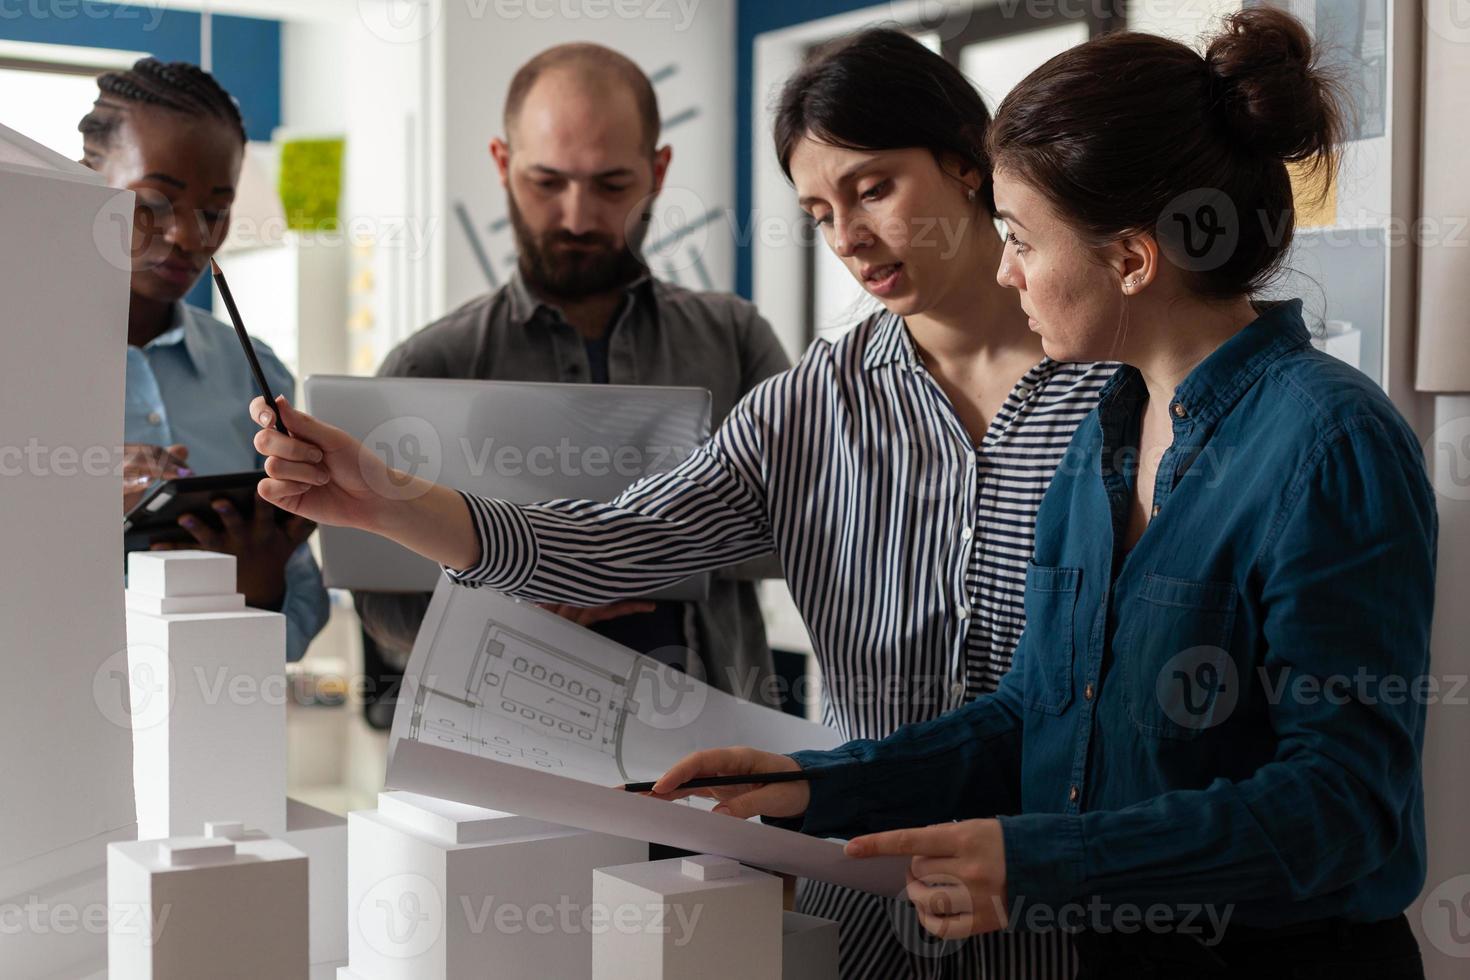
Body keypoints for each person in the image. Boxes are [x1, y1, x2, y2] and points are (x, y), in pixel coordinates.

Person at [248, 29, 1111, 978]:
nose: (850, 239)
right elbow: (620, 539)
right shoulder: (818, 398)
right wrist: (384, 499)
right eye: (820, 212)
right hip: (865, 896)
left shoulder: (1113, 384)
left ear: (966, 162)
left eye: (873, 189)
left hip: (1066, 901)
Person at [648, 11, 1437, 979]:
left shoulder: (1328, 442)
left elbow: (1343, 806)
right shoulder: (1101, 434)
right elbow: (1034, 711)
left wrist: (1038, 860)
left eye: (1022, 238)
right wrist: (815, 782)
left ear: (1133, 257)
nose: (1006, 268)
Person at [351, 43, 791, 699]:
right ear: (502, 164)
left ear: (659, 169)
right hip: (504, 752)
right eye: (546, 182)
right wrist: (516, 597)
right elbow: (384, 604)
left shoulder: (734, 340)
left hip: (716, 755)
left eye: (611, 185)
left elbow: (805, 531)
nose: (578, 218)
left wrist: (592, 559)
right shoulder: (430, 365)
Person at [83, 58, 329, 662]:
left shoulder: (257, 375)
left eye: (215, 211)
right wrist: (67, 510)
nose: (191, 239)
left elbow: (298, 622)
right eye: (154, 204)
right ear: (87, 183)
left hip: (221, 724)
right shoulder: (24, 359)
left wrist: (258, 588)